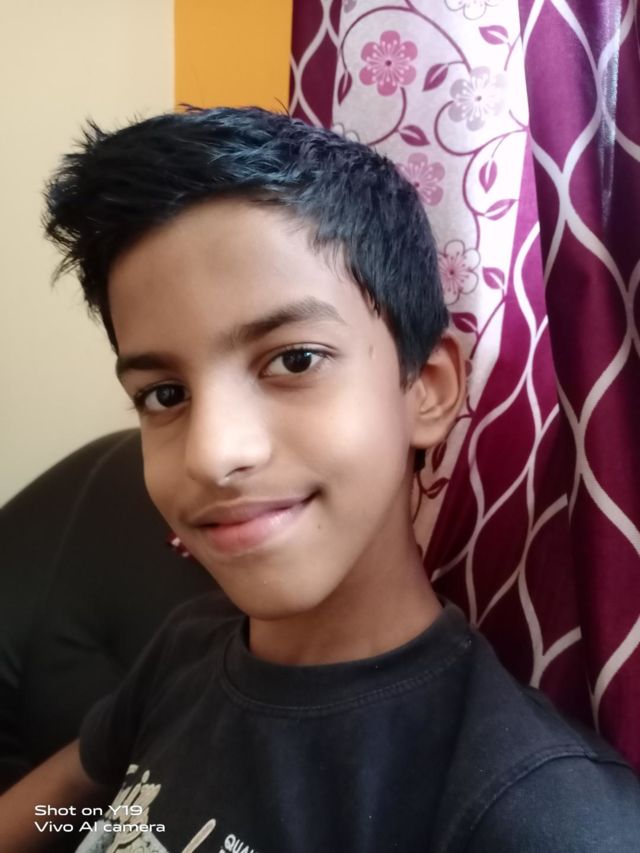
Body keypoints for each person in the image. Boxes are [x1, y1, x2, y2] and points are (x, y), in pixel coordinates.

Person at [1, 107, 639, 852]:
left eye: (294, 359)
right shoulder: (186, 650)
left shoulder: (537, 814)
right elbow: (61, 814)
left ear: (428, 389)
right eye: (165, 395)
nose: (212, 454)